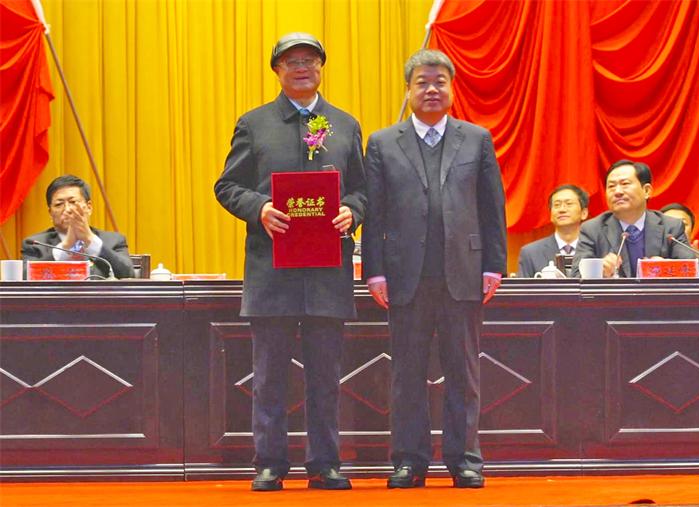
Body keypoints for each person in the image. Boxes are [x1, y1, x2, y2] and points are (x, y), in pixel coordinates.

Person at [214, 33, 366, 491]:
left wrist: (352, 210)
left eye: (310, 60)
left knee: (326, 376)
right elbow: (227, 186)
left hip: (327, 271)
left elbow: (363, 189)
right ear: (277, 71)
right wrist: (259, 207)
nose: (302, 67)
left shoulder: (345, 124)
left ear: (321, 67)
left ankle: (325, 463)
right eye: (292, 61)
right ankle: (269, 463)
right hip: (272, 269)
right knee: (269, 376)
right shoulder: (254, 123)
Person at [362, 49, 507, 489]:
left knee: (463, 372)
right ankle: (409, 460)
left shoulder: (476, 139)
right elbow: (375, 212)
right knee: (406, 373)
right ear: (407, 90)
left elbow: (492, 207)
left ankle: (465, 460)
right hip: (404, 277)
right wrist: (374, 271)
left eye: (439, 82)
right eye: (422, 82)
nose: (431, 89)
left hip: (464, 273)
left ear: (452, 89)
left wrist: (494, 265)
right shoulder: (383, 143)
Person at [571, 160, 695, 278]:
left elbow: (694, 272)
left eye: (625, 184)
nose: (617, 192)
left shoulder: (671, 227)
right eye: (611, 186)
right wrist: (599, 270)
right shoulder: (592, 230)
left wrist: (666, 268)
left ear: (646, 191)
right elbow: (576, 276)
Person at [21, 174, 134, 279]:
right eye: (59, 204)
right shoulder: (34, 244)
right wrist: (66, 247)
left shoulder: (114, 241)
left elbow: (128, 274)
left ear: (89, 207)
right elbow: (24, 277)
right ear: (50, 213)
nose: (67, 209)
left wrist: (89, 239)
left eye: (73, 202)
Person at [517, 184, 589, 277]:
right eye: (557, 205)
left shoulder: (595, 249)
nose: (562, 210)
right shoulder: (530, 253)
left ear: (584, 213)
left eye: (569, 204)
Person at [661, 203, 699, 270]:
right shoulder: (651, 255)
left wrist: (698, 262)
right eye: (669, 223)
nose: (676, 229)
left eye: (682, 224)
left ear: (692, 232)